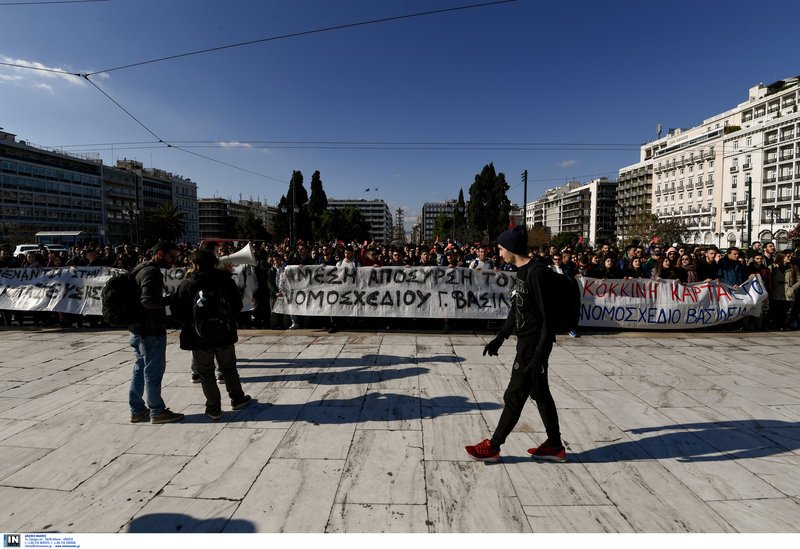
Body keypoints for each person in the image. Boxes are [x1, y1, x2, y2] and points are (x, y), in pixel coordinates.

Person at [465, 225, 565, 463]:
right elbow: (516, 307)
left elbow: (548, 320)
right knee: (540, 394)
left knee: (515, 394)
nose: (499, 254)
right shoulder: (521, 272)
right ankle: (555, 445)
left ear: (511, 248)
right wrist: (501, 336)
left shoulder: (536, 273)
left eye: (500, 248)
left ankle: (493, 446)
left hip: (534, 345)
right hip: (525, 342)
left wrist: (539, 356)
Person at [172, 249, 252, 419]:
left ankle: (213, 407)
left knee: (206, 373)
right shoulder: (225, 280)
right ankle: (237, 398)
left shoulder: (187, 284)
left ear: (196, 265)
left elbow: (177, 312)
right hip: (224, 333)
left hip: (199, 337)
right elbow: (237, 305)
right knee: (229, 368)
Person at [128, 241, 184, 424]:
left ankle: (137, 410)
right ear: (160, 253)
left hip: (137, 329)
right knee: (153, 371)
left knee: (139, 368)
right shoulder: (152, 272)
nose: (174, 260)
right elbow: (148, 301)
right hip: (150, 330)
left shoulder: (140, 268)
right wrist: (171, 300)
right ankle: (157, 411)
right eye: (171, 256)